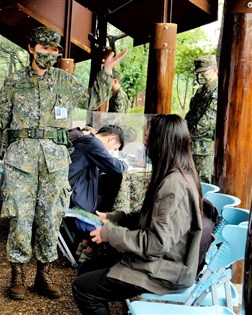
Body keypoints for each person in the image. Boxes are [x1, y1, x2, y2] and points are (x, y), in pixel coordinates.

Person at [0, 26, 127, 300]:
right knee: (19, 218)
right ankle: (18, 276)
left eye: (54, 50)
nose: (49, 54)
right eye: (44, 48)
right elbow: (1, 118)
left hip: (54, 163)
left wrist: (106, 72)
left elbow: (91, 100)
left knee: (50, 217)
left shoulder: (64, 80)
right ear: (31, 48)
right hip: (21, 162)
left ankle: (44, 274)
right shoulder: (14, 81)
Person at [72, 114, 203, 314]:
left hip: (165, 269)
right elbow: (150, 217)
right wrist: (115, 218)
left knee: (84, 289)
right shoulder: (177, 173)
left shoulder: (173, 184)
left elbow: (155, 244)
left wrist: (109, 234)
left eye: (149, 141)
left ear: (163, 143)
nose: (145, 146)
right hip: (158, 261)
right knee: (86, 270)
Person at [68, 125, 128, 262]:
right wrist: (126, 164)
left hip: (72, 194)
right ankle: (88, 254)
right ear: (112, 139)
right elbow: (115, 166)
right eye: (114, 148)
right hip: (74, 203)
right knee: (109, 223)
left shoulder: (85, 140)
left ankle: (84, 246)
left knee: (104, 206)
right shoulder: (92, 143)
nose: (112, 152)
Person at [185, 55, 218, 183]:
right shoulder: (200, 91)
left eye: (203, 72)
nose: (199, 76)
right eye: (198, 72)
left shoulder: (217, 91)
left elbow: (207, 122)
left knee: (203, 184)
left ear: (214, 69)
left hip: (204, 149)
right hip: (191, 146)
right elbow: (190, 115)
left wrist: (186, 135)